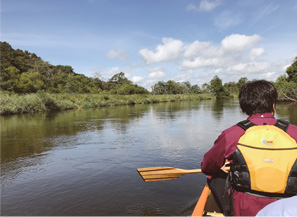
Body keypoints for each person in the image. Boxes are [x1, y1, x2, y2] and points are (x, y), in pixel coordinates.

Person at [201, 80, 297, 216]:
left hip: (244, 209)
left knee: (214, 176)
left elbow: (207, 166)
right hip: (288, 207)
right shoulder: (294, 132)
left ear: (244, 107)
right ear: (273, 106)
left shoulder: (232, 134)